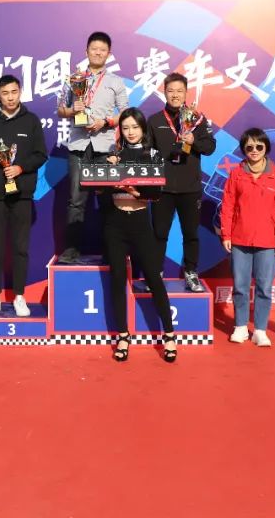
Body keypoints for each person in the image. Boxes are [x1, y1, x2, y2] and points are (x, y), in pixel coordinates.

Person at [97, 108, 177, 363]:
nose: (130, 132)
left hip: (141, 223)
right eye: (126, 128)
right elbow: (98, 190)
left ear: (143, 128)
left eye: (135, 127)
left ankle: (169, 335)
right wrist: (106, 174)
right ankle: (123, 335)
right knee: (117, 279)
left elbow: (157, 194)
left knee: (153, 277)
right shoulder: (114, 155)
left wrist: (135, 191)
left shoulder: (152, 155)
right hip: (115, 224)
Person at [0, 75, 49, 317]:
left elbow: (41, 154)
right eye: (5, 93)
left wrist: (21, 168)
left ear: (20, 92)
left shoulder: (31, 121)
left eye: (14, 92)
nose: (10, 97)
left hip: (22, 195)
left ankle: (19, 296)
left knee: (20, 249)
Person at [56, 31, 128, 264]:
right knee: (76, 201)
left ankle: (111, 250)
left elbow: (125, 113)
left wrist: (105, 122)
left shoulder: (115, 81)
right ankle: (71, 250)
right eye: (94, 48)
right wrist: (73, 110)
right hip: (79, 145)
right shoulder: (74, 79)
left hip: (104, 147)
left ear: (109, 54)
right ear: (86, 51)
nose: (98, 53)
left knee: (107, 200)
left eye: (102, 50)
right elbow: (61, 110)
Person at [146, 72, 216, 292]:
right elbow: (146, 151)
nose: (175, 95)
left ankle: (191, 273)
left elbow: (210, 147)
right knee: (159, 234)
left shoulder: (197, 119)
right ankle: (155, 274)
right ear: (164, 92)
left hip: (190, 188)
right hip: (163, 188)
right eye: (170, 91)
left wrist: (194, 141)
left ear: (186, 93)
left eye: (179, 91)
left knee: (191, 234)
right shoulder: (154, 120)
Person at [220, 128, 275, 347]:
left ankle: (260, 330)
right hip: (239, 239)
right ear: (244, 149)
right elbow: (228, 205)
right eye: (249, 147)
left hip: (267, 240)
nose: (254, 150)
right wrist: (226, 234)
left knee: (264, 288)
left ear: (266, 147)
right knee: (240, 286)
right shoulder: (236, 174)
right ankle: (240, 327)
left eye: (259, 146)